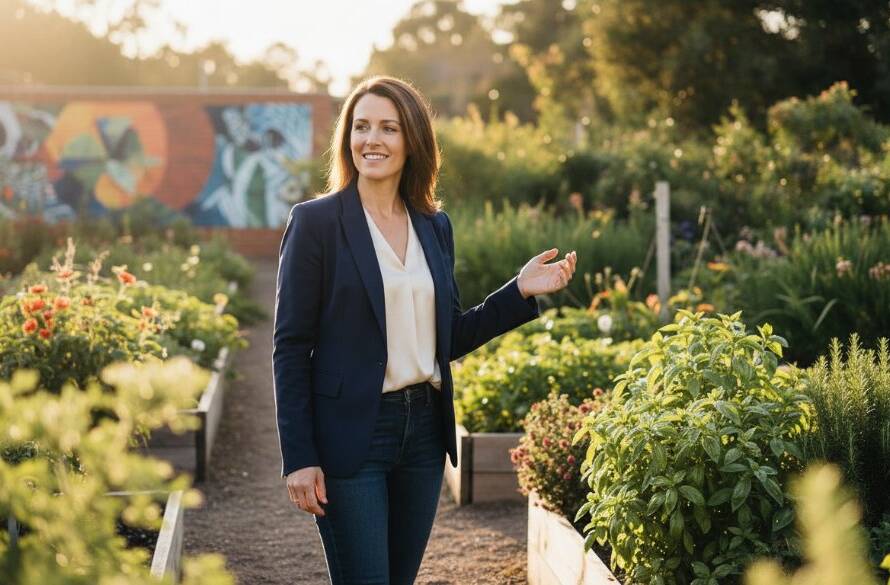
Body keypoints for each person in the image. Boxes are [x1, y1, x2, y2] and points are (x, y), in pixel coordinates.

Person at [272, 75, 577, 585]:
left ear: (412, 139)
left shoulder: (434, 224)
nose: (373, 140)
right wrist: (299, 457)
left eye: (388, 128)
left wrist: (518, 291)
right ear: (347, 138)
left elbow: (448, 338)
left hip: (423, 436)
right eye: (361, 126)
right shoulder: (316, 222)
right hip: (353, 437)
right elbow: (289, 348)